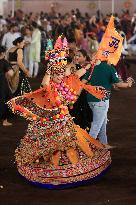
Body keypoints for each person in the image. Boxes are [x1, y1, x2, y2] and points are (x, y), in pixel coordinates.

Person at [8, 37, 111, 189]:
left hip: (65, 120)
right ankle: (52, 167)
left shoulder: (65, 82)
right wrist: (50, 69)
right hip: (50, 121)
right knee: (51, 146)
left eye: (61, 73)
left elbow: (77, 74)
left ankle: (70, 164)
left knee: (71, 142)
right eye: (57, 74)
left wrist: (90, 64)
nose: (60, 76)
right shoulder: (49, 85)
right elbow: (44, 82)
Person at [82, 60, 133, 149]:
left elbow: (83, 81)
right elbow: (118, 84)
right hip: (102, 100)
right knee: (96, 125)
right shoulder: (110, 68)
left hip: (90, 99)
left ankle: (103, 143)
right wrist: (128, 84)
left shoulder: (93, 66)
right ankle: (86, 149)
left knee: (102, 123)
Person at [0, 46, 14, 126]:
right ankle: (4, 121)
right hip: (2, 82)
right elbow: (11, 74)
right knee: (4, 99)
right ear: (2, 53)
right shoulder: (4, 62)